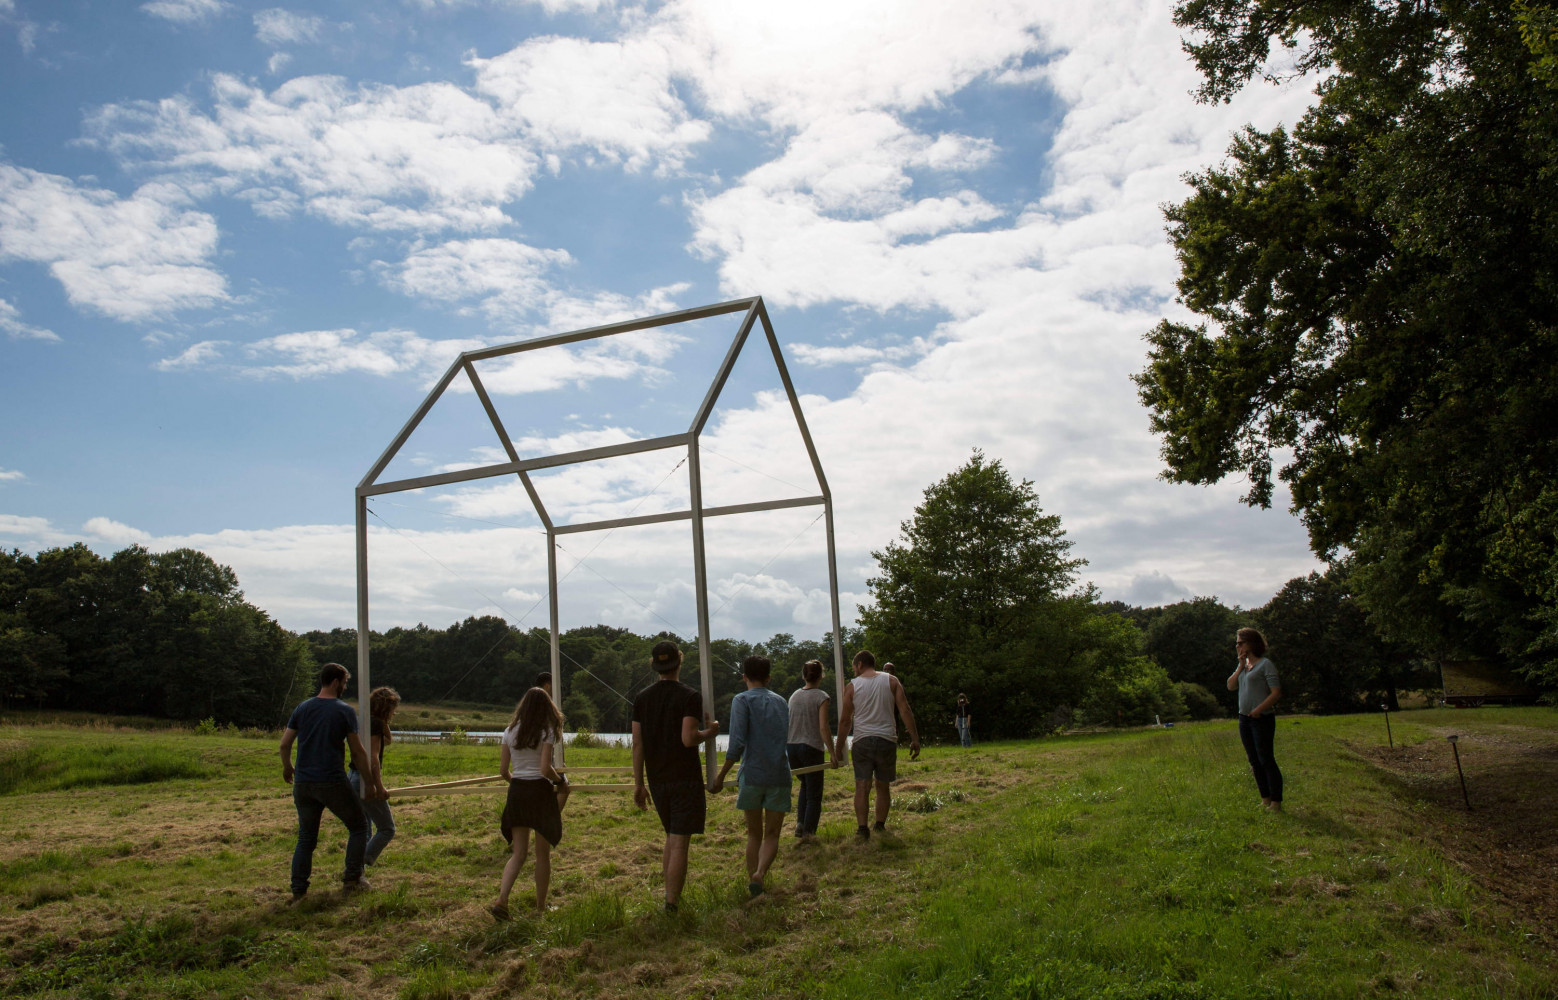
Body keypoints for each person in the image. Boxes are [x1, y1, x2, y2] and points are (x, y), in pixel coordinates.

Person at [632, 640, 719, 912]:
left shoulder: (641, 698)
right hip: (684, 777)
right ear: (679, 662)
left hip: (656, 778)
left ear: (655, 665)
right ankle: (671, 904)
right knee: (680, 841)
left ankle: (669, 897)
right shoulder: (690, 696)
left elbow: (637, 744)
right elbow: (688, 739)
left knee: (671, 835)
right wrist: (710, 732)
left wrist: (638, 783)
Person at [279, 662, 376, 901]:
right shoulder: (344, 711)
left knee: (306, 838)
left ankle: (298, 891)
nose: (345, 686)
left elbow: (285, 743)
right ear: (336, 682)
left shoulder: (302, 708)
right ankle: (352, 880)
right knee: (359, 826)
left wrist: (287, 766)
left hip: (303, 783)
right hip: (331, 781)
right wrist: (369, 782)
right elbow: (358, 752)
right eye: (344, 682)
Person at [711, 656, 791, 896]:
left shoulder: (741, 700)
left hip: (753, 775)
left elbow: (736, 743)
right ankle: (761, 873)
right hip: (779, 774)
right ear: (768, 677)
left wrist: (720, 776)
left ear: (744, 676)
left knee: (754, 833)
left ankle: (753, 881)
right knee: (773, 834)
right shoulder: (781, 701)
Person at [491, 687, 566, 919]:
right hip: (539, 792)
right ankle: (541, 907)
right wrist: (560, 779)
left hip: (518, 791)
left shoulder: (509, 731)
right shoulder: (547, 731)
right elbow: (545, 769)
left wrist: (518, 782)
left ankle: (502, 900)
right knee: (542, 854)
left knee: (519, 853)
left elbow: (504, 770)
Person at [833, 650, 920, 839]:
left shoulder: (852, 686)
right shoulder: (892, 681)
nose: (854, 670)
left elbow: (845, 721)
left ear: (860, 664)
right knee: (883, 786)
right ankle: (880, 825)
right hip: (886, 739)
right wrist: (915, 738)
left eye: (854, 666)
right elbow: (905, 709)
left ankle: (862, 828)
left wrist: (838, 748)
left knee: (862, 786)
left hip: (862, 741)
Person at [1228, 627, 1283, 811]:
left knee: (1266, 758)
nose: (1237, 646)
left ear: (1252, 643)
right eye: (1237, 643)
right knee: (1254, 760)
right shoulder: (1244, 667)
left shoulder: (1265, 664)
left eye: (1241, 642)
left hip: (1262, 718)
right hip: (1244, 719)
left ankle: (1276, 802)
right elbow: (1230, 686)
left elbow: (1276, 693)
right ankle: (1265, 799)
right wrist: (1240, 665)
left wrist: (1259, 709)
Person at [348, 686, 400, 867]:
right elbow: (373, 757)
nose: (395, 713)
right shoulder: (374, 724)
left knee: (364, 830)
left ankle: (355, 871)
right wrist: (378, 786)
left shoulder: (362, 721)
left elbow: (387, 741)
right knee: (387, 829)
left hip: (352, 776)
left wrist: (383, 721)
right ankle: (359, 863)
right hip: (364, 779)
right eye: (393, 709)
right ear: (386, 708)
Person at [785, 659, 835, 840]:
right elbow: (823, 727)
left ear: (803, 675)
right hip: (811, 747)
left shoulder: (794, 696)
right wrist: (833, 752)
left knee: (805, 785)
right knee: (814, 793)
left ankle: (800, 824)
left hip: (792, 748)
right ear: (821, 675)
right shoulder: (821, 696)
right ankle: (809, 833)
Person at [534, 671, 571, 812]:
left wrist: (560, 759)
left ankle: (548, 817)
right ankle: (551, 818)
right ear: (548, 686)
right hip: (544, 760)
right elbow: (552, 736)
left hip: (539, 760)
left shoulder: (532, 706)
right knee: (564, 786)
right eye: (556, 686)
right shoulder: (545, 708)